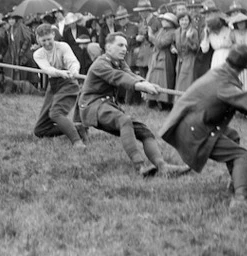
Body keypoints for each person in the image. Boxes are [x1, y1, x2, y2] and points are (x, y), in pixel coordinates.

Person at [159, 45, 247, 210]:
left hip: (191, 123)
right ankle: (242, 200)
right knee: (242, 155)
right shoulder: (224, 83)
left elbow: (241, 101)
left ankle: (236, 181)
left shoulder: (219, 72)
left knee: (232, 136)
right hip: (194, 130)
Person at [78, 33, 191, 178]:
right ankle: (140, 166)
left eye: (125, 45)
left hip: (107, 105)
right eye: (120, 45)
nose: (124, 49)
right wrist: (139, 85)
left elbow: (129, 74)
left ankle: (163, 168)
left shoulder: (119, 62)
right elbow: (118, 77)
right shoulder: (101, 64)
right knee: (124, 120)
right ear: (108, 47)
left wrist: (145, 83)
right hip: (92, 106)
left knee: (145, 132)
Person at [32, 23, 87, 149]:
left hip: (69, 83)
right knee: (40, 130)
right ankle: (77, 127)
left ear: (53, 35)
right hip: (53, 84)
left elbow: (72, 61)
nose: (47, 43)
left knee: (55, 114)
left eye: (49, 39)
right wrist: (61, 73)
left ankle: (77, 142)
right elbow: (48, 69)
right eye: (43, 40)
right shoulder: (38, 54)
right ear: (38, 40)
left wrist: (74, 71)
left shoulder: (63, 46)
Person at [144, 12, 178, 109]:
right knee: (154, 78)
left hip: (166, 57)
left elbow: (161, 43)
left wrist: (151, 37)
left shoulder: (172, 32)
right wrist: (148, 35)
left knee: (165, 80)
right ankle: (153, 100)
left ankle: (165, 102)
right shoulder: (161, 30)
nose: (162, 21)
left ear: (170, 22)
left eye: (165, 20)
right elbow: (154, 41)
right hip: (156, 57)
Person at [228, 12, 247, 95]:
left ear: (246, 23)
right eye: (238, 23)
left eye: (242, 22)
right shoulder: (233, 33)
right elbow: (231, 45)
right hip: (238, 58)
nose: (241, 25)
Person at [200, 0, 232, 69]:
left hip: (229, 56)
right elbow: (204, 49)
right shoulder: (207, 31)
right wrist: (205, 35)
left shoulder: (228, 27)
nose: (208, 16)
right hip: (217, 59)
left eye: (211, 13)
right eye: (206, 14)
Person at [172, 11, 198, 93]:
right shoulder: (176, 32)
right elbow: (172, 43)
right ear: (178, 21)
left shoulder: (193, 32)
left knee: (186, 81)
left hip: (189, 59)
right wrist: (173, 48)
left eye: (186, 20)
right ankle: (178, 102)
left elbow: (195, 48)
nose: (184, 22)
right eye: (182, 20)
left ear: (189, 21)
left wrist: (189, 39)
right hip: (179, 60)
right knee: (179, 80)